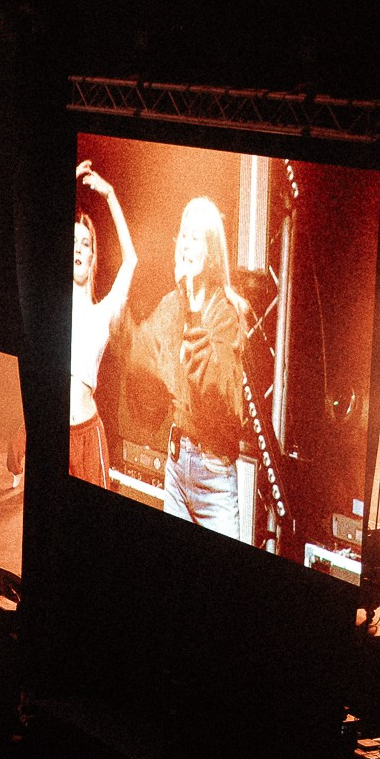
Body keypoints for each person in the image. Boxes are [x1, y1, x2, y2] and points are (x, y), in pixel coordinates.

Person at [137, 196, 253, 537]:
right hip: (176, 463)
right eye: (183, 236)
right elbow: (143, 355)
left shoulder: (225, 313)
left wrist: (191, 309)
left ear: (212, 251)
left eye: (195, 237)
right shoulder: (170, 305)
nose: (186, 245)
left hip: (213, 474)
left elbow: (214, 388)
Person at [70, 160, 137, 489]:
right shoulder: (55, 304)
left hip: (88, 433)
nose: (79, 249)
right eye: (73, 242)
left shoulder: (103, 313)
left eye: (86, 244)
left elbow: (132, 261)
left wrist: (110, 195)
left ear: (94, 256)